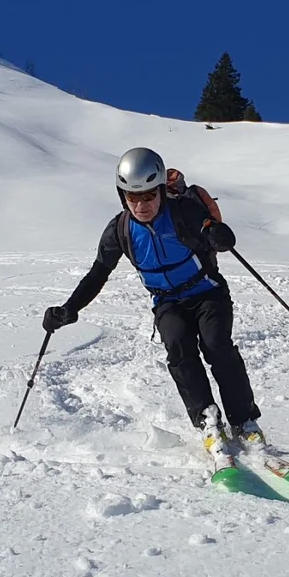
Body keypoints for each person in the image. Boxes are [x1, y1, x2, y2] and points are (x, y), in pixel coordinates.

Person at [42, 147, 265, 456]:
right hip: (167, 302)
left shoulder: (182, 212)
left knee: (217, 345)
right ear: (122, 196)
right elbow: (98, 272)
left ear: (160, 191)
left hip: (207, 292)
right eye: (132, 197)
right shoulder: (120, 230)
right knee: (178, 348)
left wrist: (219, 234)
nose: (141, 205)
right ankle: (208, 422)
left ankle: (244, 422)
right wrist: (69, 309)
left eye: (148, 196)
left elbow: (210, 229)